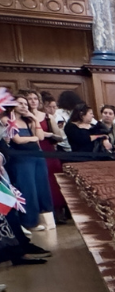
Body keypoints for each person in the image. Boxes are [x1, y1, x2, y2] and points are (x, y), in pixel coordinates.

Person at [5, 94, 53, 230]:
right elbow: (18, 140)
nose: (24, 106)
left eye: (25, 104)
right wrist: (33, 138)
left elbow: (41, 137)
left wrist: (34, 119)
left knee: (41, 187)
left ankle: (43, 219)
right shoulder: (7, 120)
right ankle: (29, 222)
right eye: (20, 103)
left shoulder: (28, 121)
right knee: (27, 188)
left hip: (37, 156)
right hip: (21, 158)